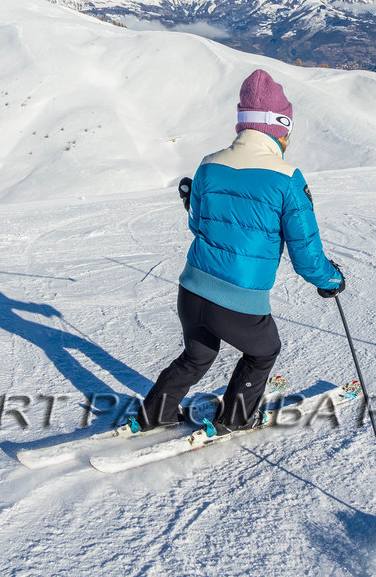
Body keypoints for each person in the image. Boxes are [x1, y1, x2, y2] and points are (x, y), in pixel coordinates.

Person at [134, 69, 344, 436]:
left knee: (198, 355)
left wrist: (193, 202)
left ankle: (155, 414)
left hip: (192, 289)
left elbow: (199, 226)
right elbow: (306, 257)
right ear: (280, 128)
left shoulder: (208, 164)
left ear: (242, 125)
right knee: (263, 352)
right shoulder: (287, 177)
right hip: (238, 301)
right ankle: (236, 418)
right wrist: (331, 280)